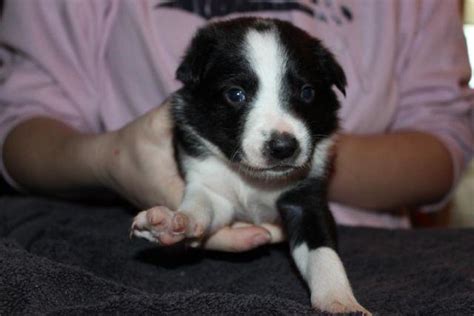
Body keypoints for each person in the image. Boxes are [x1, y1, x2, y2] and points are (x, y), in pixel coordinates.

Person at [0, 0, 472, 252]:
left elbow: (444, 139)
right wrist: (109, 161)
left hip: (367, 243)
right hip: (123, 231)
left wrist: (298, 176)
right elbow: (18, 128)